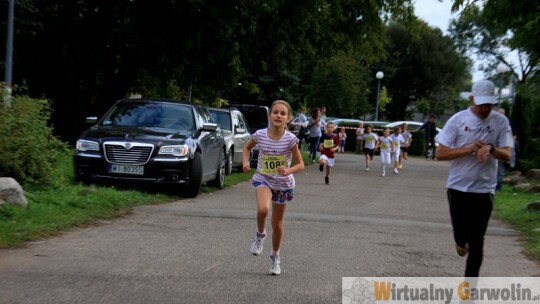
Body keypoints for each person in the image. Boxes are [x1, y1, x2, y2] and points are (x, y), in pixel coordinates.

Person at [435, 79, 513, 277]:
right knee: (462, 236)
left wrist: (492, 148)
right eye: (481, 104)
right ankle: (460, 241)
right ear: (472, 99)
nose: (485, 108)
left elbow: (507, 154)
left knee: (477, 241)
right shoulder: (458, 120)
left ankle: (469, 291)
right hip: (458, 188)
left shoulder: (500, 121)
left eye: (489, 104)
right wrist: (470, 149)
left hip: (484, 189)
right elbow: (440, 154)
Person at [242, 100, 305, 276]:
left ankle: (275, 256)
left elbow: (300, 165)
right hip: (264, 178)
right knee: (263, 209)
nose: (278, 115)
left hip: (282, 184)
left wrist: (288, 170)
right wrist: (246, 163)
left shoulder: (291, 139)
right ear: (269, 115)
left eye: (282, 113)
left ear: (288, 118)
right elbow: (246, 149)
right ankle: (260, 234)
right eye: (275, 112)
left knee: (276, 224)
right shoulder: (260, 135)